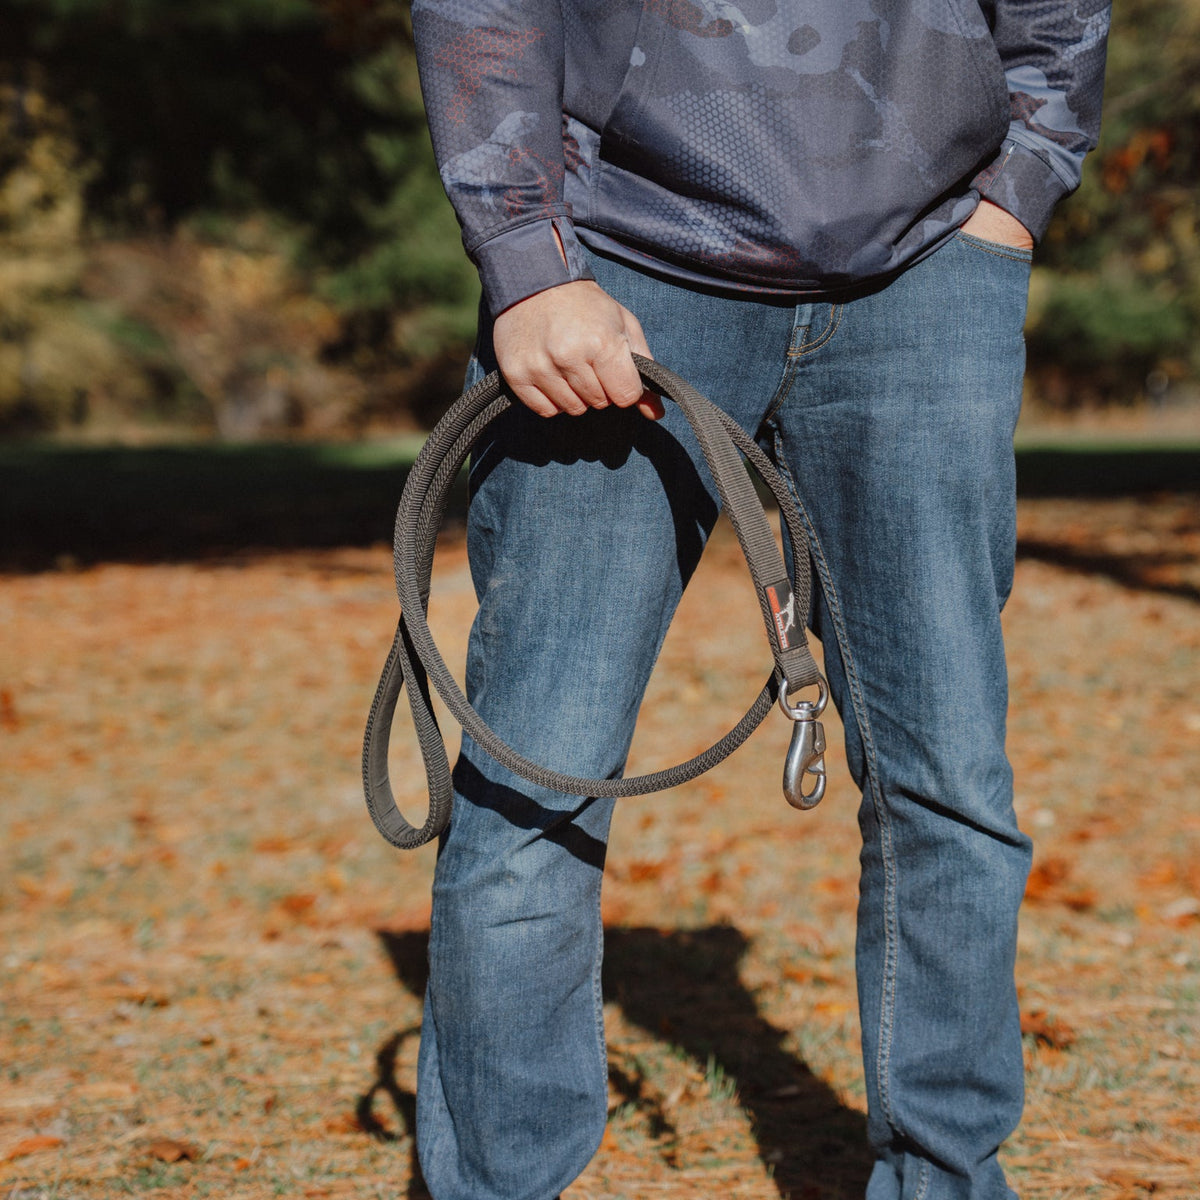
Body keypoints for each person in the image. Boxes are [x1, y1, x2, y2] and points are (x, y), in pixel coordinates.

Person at [408, 3, 1110, 1198]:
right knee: (540, 773)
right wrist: (526, 262)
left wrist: (1018, 196)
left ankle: (943, 1179)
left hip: (928, 277)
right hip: (615, 270)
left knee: (950, 781)